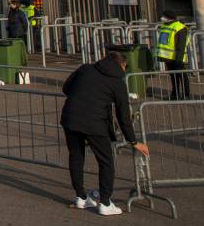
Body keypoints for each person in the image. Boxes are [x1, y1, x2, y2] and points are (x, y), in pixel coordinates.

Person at [61, 45, 149, 215]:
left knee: (76, 156)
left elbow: (66, 88)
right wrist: (133, 141)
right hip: (95, 123)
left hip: (70, 118)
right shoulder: (117, 83)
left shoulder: (85, 69)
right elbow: (123, 115)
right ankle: (106, 202)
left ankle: (81, 197)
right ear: (122, 65)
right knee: (106, 161)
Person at [155, 10, 190, 100]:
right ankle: (175, 94)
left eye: (164, 16)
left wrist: (178, 59)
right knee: (173, 76)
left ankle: (186, 95)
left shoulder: (180, 27)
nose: (162, 18)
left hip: (177, 57)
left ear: (169, 17)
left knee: (181, 76)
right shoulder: (164, 26)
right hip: (168, 57)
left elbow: (181, 45)